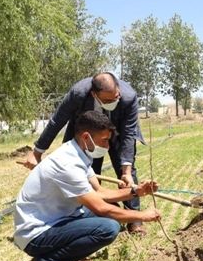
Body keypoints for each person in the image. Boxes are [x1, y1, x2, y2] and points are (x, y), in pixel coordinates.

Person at [13, 111, 161, 261]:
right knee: (108, 227)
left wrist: (136, 191)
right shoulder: (67, 164)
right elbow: (102, 208)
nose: (107, 146)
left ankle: (67, 257)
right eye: (104, 140)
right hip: (36, 234)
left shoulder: (78, 152)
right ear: (86, 137)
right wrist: (143, 216)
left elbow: (99, 192)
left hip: (56, 220)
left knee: (109, 212)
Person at [22, 72, 146, 234]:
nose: (114, 101)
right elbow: (57, 121)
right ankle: (96, 216)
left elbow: (129, 133)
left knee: (127, 174)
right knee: (88, 175)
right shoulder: (78, 94)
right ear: (94, 94)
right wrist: (37, 152)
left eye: (116, 97)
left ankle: (134, 220)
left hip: (118, 134)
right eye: (108, 100)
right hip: (88, 138)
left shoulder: (128, 97)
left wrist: (126, 171)